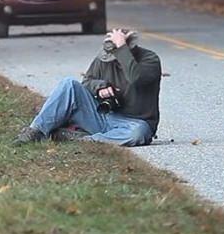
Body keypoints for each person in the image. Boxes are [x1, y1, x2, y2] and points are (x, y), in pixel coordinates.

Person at [13, 29, 161, 147]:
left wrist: (121, 48)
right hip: (103, 115)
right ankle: (36, 131)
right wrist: (100, 87)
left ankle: (84, 139)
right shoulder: (103, 59)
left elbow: (136, 78)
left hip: (134, 123)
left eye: (117, 56)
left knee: (138, 134)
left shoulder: (150, 60)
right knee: (69, 84)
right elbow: (87, 81)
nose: (112, 61)